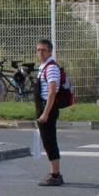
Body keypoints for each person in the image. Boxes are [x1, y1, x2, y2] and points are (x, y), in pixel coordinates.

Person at [35, 38, 63, 186]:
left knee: (50, 142)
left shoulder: (51, 68)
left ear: (50, 51)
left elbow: (52, 92)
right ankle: (53, 172)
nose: (40, 52)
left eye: (44, 50)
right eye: (38, 50)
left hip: (48, 108)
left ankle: (55, 174)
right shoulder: (43, 67)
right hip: (43, 107)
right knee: (47, 141)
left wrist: (45, 113)